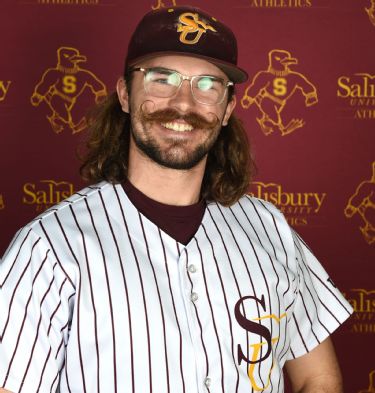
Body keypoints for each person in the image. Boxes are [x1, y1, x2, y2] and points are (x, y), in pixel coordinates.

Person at [0, 6, 352, 393]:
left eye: (207, 84)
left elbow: (317, 377)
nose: (184, 103)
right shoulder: (49, 246)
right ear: (125, 95)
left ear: (227, 109)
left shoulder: (268, 227)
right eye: (161, 78)